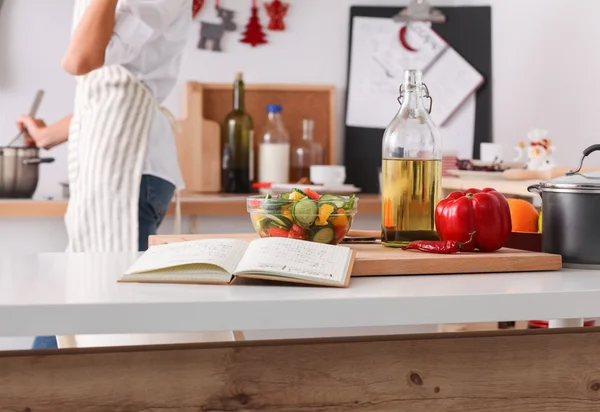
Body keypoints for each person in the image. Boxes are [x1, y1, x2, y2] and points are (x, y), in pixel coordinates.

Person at [19, 0, 195, 349]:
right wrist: (46, 136)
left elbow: (79, 60)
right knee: (79, 299)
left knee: (107, 313)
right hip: (116, 167)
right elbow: (111, 91)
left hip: (128, 170)